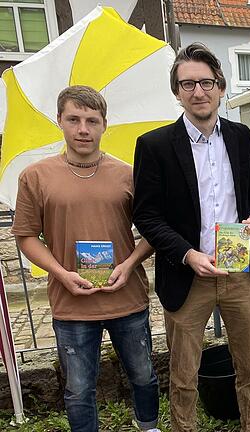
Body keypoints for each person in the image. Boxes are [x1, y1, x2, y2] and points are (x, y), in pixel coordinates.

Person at [133, 43, 250, 431]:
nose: (198, 91)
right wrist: (187, 254)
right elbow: (146, 215)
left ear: (220, 86)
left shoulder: (241, 138)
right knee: (184, 377)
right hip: (187, 276)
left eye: (206, 82)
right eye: (187, 83)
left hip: (238, 271)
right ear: (176, 92)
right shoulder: (154, 145)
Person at [12, 85, 159, 432]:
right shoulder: (35, 176)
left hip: (127, 297)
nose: (83, 129)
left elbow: (154, 229)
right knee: (78, 389)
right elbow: (25, 236)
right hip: (71, 303)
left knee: (144, 375)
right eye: (74, 119)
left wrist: (129, 264)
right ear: (59, 121)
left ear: (104, 124)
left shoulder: (128, 174)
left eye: (92, 120)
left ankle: (149, 425)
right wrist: (60, 273)